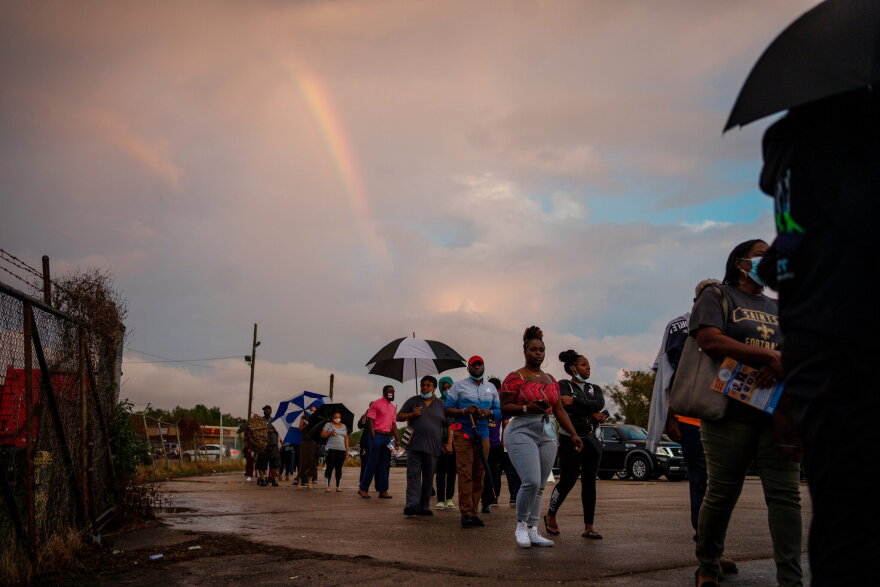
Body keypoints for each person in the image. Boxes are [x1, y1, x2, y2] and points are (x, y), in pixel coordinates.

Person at [759, 88, 878, 586]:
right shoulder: (852, 130)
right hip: (855, 342)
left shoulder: (788, 146)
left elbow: (779, 258)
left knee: (839, 515)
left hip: (811, 351)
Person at [692, 240, 802, 587]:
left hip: (777, 417)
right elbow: (709, 339)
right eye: (761, 255)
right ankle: (708, 564)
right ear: (741, 262)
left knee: (786, 498)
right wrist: (765, 357)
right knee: (722, 494)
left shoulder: (780, 306)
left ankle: (791, 579)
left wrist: (779, 362)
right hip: (729, 415)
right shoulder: (718, 296)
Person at [645, 280, 738, 575]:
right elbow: (669, 372)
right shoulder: (681, 326)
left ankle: (713, 548)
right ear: (697, 300)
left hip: (723, 417)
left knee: (722, 487)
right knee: (703, 483)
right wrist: (670, 415)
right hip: (692, 419)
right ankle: (707, 553)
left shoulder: (733, 322)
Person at [500, 327, 583, 548]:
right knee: (531, 481)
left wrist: (573, 434)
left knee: (540, 487)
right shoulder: (514, 377)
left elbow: (559, 410)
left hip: (546, 432)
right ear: (525, 350)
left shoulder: (551, 379)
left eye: (541, 350)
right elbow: (504, 407)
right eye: (533, 349)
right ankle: (520, 525)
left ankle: (533, 530)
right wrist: (528, 407)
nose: (538, 353)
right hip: (521, 430)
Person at [544, 350, 606, 539]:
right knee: (568, 480)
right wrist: (589, 411)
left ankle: (588, 527)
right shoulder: (563, 385)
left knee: (589, 482)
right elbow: (562, 405)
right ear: (572, 367)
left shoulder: (594, 388)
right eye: (583, 364)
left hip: (592, 440)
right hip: (569, 438)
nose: (588, 368)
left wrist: (576, 403)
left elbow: (598, 404)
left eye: (588, 365)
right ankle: (550, 515)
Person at [445, 356, 501, 529]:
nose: (477, 367)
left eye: (479, 364)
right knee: (465, 473)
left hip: (483, 435)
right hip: (464, 435)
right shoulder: (458, 386)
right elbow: (447, 409)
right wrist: (464, 410)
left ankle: (474, 512)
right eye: (473, 365)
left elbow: (499, 411)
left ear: (484, 366)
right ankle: (466, 513)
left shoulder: (491, 388)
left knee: (479, 474)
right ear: (468, 368)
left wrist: (488, 412)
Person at [397, 376, 445, 516]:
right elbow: (398, 417)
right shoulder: (413, 401)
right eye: (423, 385)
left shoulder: (441, 404)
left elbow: (449, 424)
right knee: (413, 476)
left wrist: (448, 443)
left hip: (433, 447)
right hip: (414, 446)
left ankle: (424, 506)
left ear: (434, 388)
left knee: (428, 478)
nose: (425, 387)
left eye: (428, 385)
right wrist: (412, 413)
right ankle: (411, 505)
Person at [358, 386, 400, 499]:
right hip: (377, 435)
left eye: (393, 392)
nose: (392, 393)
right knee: (372, 463)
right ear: (384, 392)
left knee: (386, 464)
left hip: (388, 437)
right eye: (390, 392)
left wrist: (398, 439)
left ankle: (383, 490)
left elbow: (394, 424)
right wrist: (373, 436)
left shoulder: (392, 407)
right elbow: (371, 419)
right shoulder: (376, 404)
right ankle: (363, 488)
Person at [480, 377, 505, 514]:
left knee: (491, 475)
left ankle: (486, 502)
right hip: (480, 443)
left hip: (495, 445)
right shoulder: (481, 402)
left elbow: (505, 424)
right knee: (478, 473)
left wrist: (503, 442)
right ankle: (476, 499)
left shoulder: (501, 406)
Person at [434, 376, 457, 510]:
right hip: (439, 440)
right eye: (444, 388)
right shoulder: (437, 403)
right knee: (441, 471)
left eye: (449, 387)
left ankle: (449, 498)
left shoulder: (456, 402)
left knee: (452, 471)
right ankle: (440, 499)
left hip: (454, 440)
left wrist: (451, 442)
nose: (447, 390)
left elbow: (454, 424)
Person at [320, 412, 349, 492]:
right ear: (332, 417)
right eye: (336, 417)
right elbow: (322, 435)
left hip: (341, 450)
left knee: (339, 468)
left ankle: (338, 486)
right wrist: (330, 432)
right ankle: (327, 486)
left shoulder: (343, 426)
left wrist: (347, 450)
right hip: (330, 449)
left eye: (339, 417)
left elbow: (346, 438)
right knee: (329, 467)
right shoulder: (328, 425)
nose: (338, 418)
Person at [297, 410, 318, 489]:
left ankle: (310, 482)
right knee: (303, 461)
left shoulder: (316, 418)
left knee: (312, 462)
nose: (312, 411)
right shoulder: (304, 417)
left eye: (314, 410)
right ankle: (299, 482)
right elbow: (300, 428)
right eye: (311, 410)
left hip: (313, 442)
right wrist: (306, 424)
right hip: (304, 442)